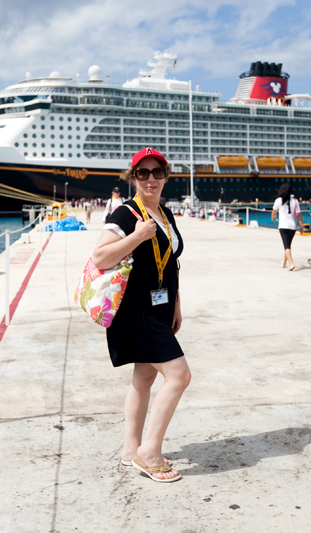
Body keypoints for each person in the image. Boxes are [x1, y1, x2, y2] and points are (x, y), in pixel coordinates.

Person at [92, 147, 188, 483]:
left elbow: (171, 261)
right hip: (136, 312)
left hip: (160, 309)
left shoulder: (164, 212)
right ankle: (150, 452)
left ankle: (131, 449)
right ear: (133, 177)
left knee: (144, 377)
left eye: (157, 172)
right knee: (179, 375)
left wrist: (176, 302)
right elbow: (101, 257)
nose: (150, 179)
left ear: (165, 176)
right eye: (143, 173)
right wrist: (135, 237)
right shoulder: (126, 214)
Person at [271, 183, 303, 271]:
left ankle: (291, 264)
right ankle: (284, 262)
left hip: (283, 226)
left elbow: (273, 213)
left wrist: (273, 218)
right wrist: (302, 226)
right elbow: (299, 215)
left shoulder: (278, 200)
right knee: (287, 245)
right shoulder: (295, 201)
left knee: (286, 246)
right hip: (292, 227)